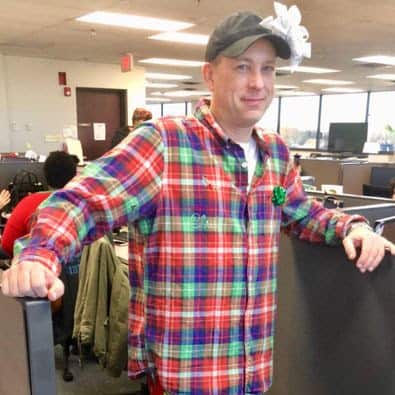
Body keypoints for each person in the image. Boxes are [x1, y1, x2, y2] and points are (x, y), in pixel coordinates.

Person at [1, 6, 394, 395]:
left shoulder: (275, 153)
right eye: (242, 66)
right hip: (185, 377)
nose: (257, 82)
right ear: (209, 74)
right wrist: (40, 254)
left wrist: (351, 226)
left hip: (251, 371)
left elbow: (298, 210)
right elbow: (81, 202)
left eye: (268, 68)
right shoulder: (164, 144)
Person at [1, 151, 78, 257]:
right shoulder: (83, 204)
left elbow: (7, 247)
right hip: (80, 270)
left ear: (45, 175)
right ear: (75, 176)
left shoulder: (28, 204)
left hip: (37, 268)